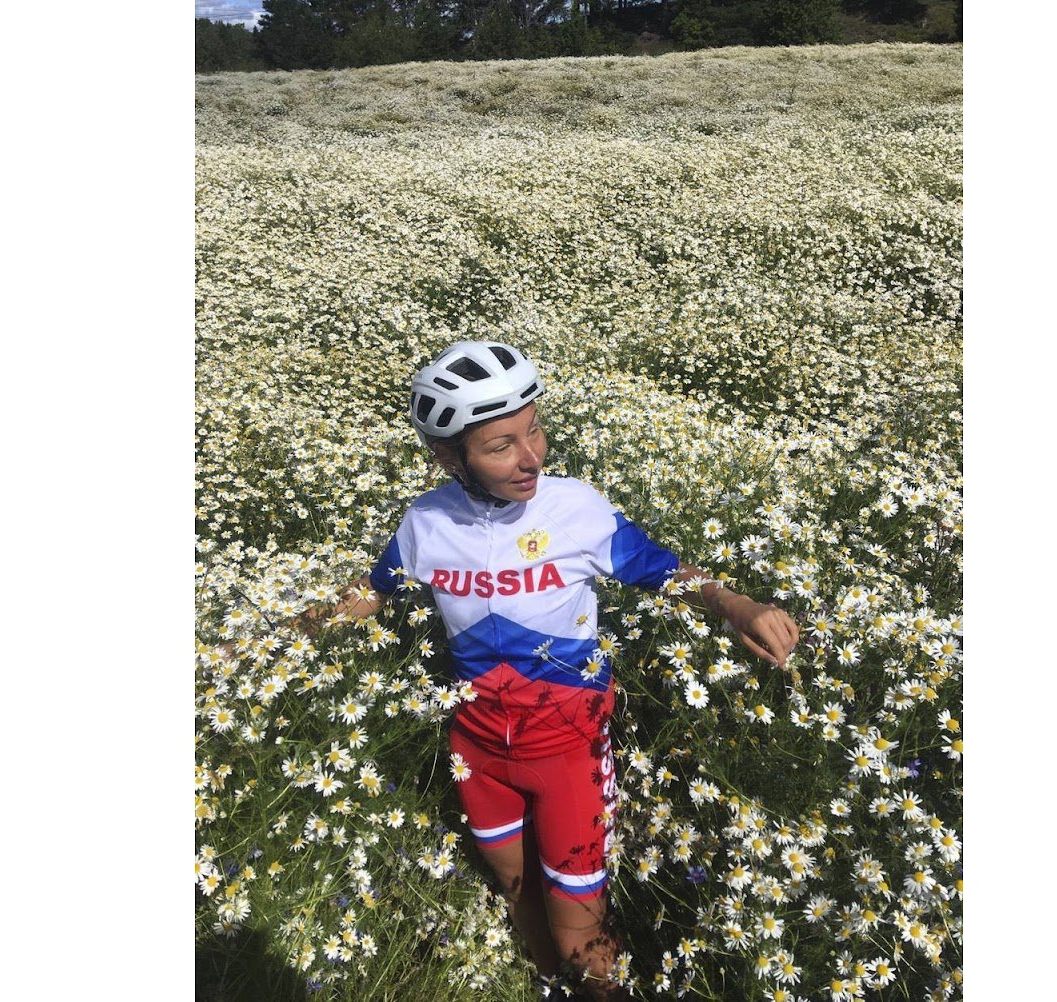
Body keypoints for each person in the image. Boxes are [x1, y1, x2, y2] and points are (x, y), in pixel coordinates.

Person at [296, 341, 800, 1000]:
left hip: (568, 751)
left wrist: (734, 604)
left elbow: (662, 570)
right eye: (501, 446)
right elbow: (373, 592)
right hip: (476, 750)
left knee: (581, 938)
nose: (531, 456)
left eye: (534, 430)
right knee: (519, 896)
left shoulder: (574, 508)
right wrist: (277, 637)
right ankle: (547, 988)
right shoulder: (426, 522)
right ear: (450, 458)